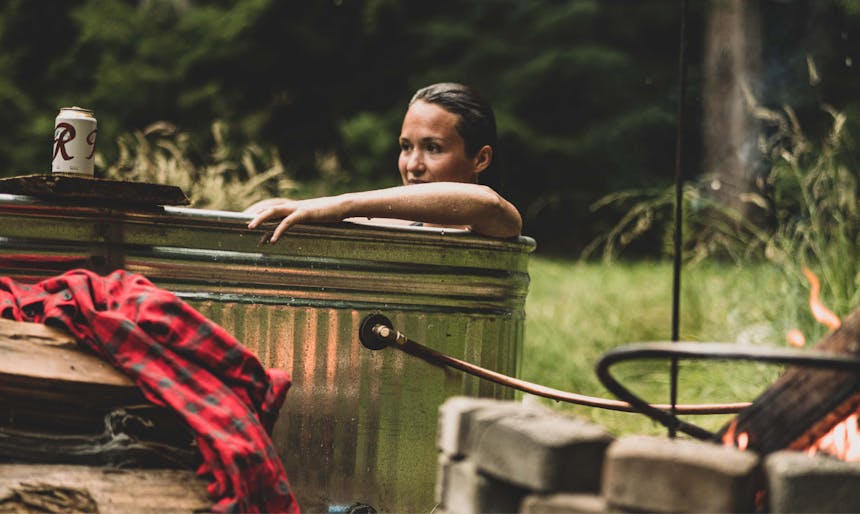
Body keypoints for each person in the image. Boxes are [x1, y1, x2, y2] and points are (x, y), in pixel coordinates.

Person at [246, 82, 522, 242]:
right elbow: (270, 210)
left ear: (481, 158)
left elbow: (485, 203)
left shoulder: (497, 225)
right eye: (405, 147)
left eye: (433, 148)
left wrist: (342, 205)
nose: (413, 164)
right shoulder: (398, 228)